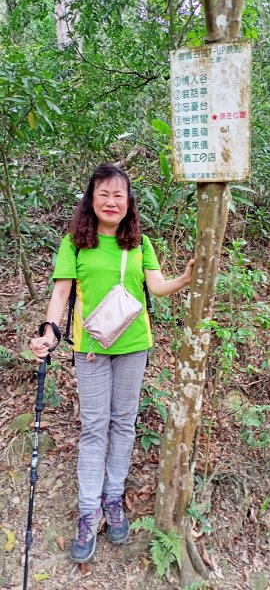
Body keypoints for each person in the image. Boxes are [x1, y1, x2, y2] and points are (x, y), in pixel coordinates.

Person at [29, 163, 194, 564]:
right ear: (91, 199)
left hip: (135, 345)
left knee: (124, 422)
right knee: (94, 427)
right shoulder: (74, 243)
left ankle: (114, 497)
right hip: (90, 349)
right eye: (103, 193)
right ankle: (89, 511)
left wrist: (186, 278)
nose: (111, 201)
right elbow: (61, 293)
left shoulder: (141, 244)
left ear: (128, 202)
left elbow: (156, 286)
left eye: (119, 194)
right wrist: (49, 334)